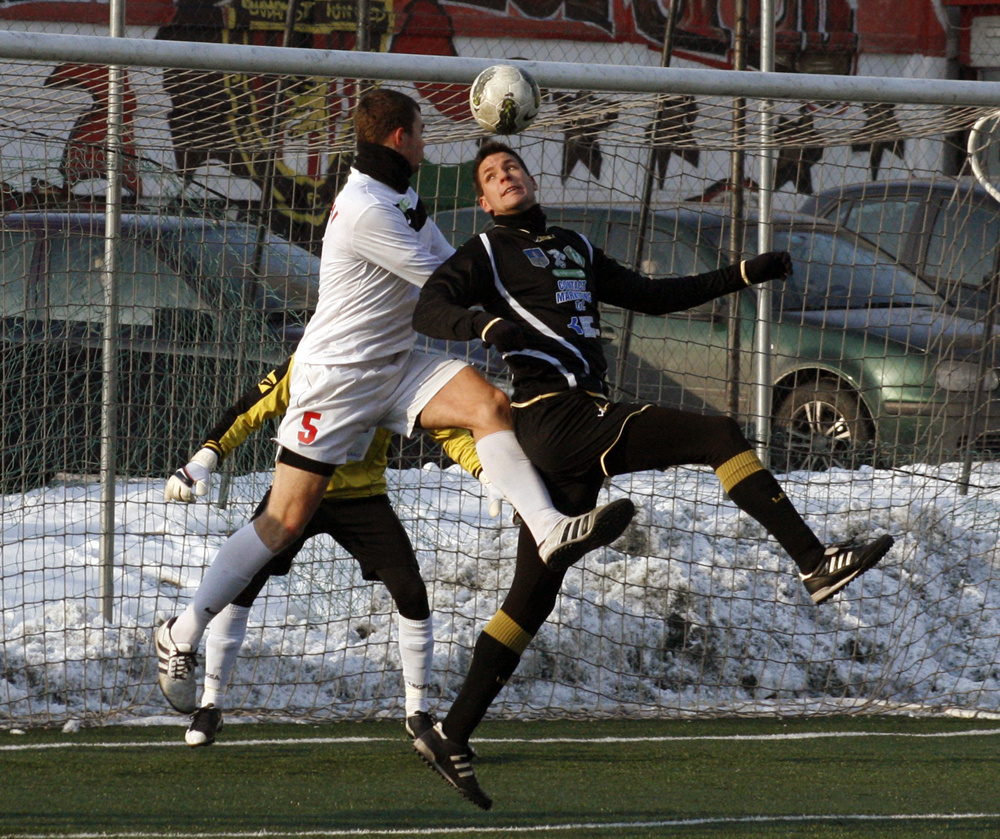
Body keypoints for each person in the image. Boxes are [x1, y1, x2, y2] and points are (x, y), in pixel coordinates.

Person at [409, 141, 896, 809]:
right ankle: (814, 561)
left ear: (528, 176)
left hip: (573, 421)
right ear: (486, 201)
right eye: (491, 176)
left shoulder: (574, 243)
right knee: (718, 433)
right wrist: (479, 320)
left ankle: (450, 731)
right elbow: (426, 308)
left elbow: (654, 296)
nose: (505, 176)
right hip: (554, 415)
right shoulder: (486, 252)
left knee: (534, 592)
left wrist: (744, 273)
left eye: (511, 166)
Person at [154, 91, 635, 722]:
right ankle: (182, 633)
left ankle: (548, 531)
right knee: (282, 523)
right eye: (423, 133)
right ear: (400, 138)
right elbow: (444, 280)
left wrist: (510, 258)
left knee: (487, 403)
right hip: (338, 379)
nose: (430, 142)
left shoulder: (399, 193)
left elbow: (454, 262)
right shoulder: (365, 207)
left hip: (396, 363)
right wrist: (518, 285)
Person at [163, 355, 485, 747]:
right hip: (294, 492)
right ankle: (210, 705)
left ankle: (416, 712)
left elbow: (448, 432)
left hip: (363, 499)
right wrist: (206, 455)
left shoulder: (397, 367)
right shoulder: (311, 357)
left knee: (411, 592)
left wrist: (490, 470)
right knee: (242, 586)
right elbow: (247, 410)